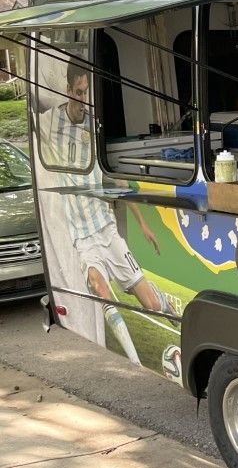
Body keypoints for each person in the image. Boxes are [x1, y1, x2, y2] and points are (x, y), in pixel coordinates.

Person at [42, 62, 179, 365]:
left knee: (151, 302)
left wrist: (142, 224)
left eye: (87, 92)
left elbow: (115, 179)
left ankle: (169, 310)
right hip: (83, 237)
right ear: (67, 91)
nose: (83, 98)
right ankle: (134, 361)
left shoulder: (95, 126)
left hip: (105, 227)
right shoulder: (51, 121)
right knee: (98, 285)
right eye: (79, 92)